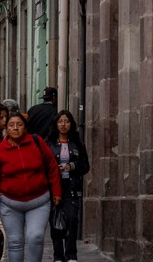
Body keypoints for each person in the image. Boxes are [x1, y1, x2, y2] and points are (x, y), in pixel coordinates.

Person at [0, 112, 60, 262]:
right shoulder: (0, 151)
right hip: (10, 204)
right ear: (6, 129)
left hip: (39, 201)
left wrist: (57, 192)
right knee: (15, 242)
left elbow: (52, 166)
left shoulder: (37, 142)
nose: (15, 128)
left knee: (36, 237)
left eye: (19, 124)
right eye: (11, 125)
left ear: (25, 127)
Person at [44, 110, 89, 262]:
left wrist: (72, 166)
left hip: (72, 187)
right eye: (60, 121)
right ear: (56, 124)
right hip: (54, 187)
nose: (63, 125)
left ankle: (71, 255)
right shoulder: (48, 143)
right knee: (56, 221)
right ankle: (58, 256)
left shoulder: (77, 143)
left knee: (72, 219)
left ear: (71, 124)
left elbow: (85, 166)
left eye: (67, 121)